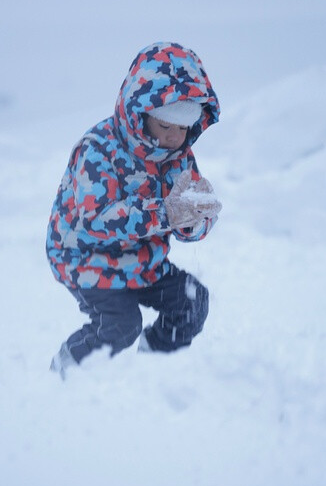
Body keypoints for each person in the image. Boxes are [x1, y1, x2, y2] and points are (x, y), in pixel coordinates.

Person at [46, 41, 222, 379]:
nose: (175, 138)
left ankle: (151, 372)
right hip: (85, 257)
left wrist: (195, 218)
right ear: (140, 113)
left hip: (141, 258)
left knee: (191, 302)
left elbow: (185, 224)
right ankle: (62, 374)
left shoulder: (179, 156)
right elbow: (97, 220)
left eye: (183, 128)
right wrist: (167, 213)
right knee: (120, 324)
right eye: (166, 126)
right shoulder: (99, 150)